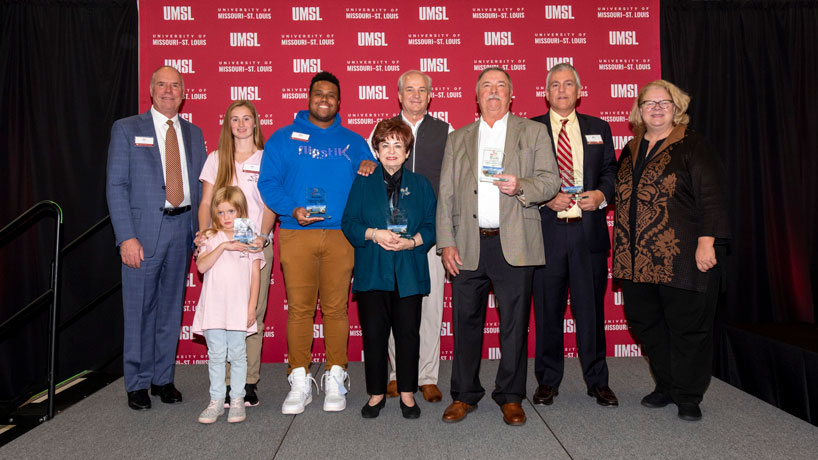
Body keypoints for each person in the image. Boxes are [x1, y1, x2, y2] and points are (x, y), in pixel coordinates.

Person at [436, 67, 560, 425]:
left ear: (512, 95)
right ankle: (464, 394)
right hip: (467, 244)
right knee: (465, 323)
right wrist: (445, 242)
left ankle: (510, 396)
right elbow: (445, 194)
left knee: (515, 325)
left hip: (516, 243)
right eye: (486, 86)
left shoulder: (533, 132)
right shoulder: (458, 138)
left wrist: (521, 185)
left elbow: (550, 181)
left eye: (500, 86)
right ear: (476, 96)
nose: (493, 92)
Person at [257, 71, 376, 414]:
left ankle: (336, 376)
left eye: (331, 95)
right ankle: (299, 378)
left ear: (339, 102)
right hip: (296, 232)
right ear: (308, 98)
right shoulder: (282, 139)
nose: (324, 99)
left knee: (337, 309)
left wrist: (369, 167)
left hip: (342, 235)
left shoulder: (354, 142)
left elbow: (370, 185)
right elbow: (268, 184)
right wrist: (291, 208)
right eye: (318, 94)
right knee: (300, 309)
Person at [613, 80, 729, 421]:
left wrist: (707, 241)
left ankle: (689, 395)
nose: (657, 108)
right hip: (635, 259)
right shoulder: (630, 148)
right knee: (645, 323)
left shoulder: (693, 145)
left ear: (676, 108)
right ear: (639, 110)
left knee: (687, 327)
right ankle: (666, 384)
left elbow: (712, 194)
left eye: (665, 103)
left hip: (681, 256)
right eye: (650, 103)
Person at [106, 65, 206, 410]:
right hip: (143, 234)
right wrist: (126, 238)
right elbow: (116, 186)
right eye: (162, 84)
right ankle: (136, 383)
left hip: (183, 230)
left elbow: (200, 187)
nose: (168, 90)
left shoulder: (194, 134)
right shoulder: (126, 129)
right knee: (138, 310)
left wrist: (201, 233)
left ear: (183, 92)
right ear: (151, 90)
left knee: (169, 309)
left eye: (175, 85)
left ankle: (162, 378)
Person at [530, 63, 619, 407]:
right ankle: (547, 381)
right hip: (547, 235)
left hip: (587, 233)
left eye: (569, 84)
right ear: (546, 92)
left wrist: (601, 195)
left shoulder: (599, 128)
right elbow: (522, 177)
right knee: (547, 312)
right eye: (555, 84)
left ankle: (598, 381)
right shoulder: (531, 128)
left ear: (579, 91)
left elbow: (611, 169)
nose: (562, 90)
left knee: (591, 313)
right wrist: (545, 197)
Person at [367, 70, 453, 402]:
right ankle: (395, 374)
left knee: (430, 307)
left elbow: (453, 183)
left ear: (430, 96)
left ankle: (427, 375)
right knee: (393, 305)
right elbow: (367, 167)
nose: (415, 95)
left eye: (422, 90)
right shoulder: (381, 129)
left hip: (429, 234)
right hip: (389, 236)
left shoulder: (447, 131)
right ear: (399, 95)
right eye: (409, 90)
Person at [343, 119, 437, 419]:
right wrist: (374, 233)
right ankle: (376, 393)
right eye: (385, 145)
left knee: (409, 334)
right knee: (374, 335)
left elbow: (432, 225)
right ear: (377, 150)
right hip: (373, 269)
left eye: (398, 145)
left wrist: (412, 243)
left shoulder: (421, 184)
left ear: (407, 151)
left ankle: (408, 393)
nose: (392, 151)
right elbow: (350, 223)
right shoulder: (362, 181)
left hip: (408, 270)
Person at [197, 100, 276, 408]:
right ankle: (227, 383)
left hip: (253, 243)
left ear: (256, 123)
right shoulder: (216, 159)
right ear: (227, 125)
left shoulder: (267, 158)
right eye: (235, 119)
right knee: (222, 315)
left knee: (251, 313)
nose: (241, 124)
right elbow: (206, 203)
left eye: (246, 118)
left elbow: (270, 204)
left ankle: (248, 382)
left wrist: (263, 237)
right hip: (220, 245)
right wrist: (206, 236)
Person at [192, 186, 264, 424]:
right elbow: (201, 267)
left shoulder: (248, 234)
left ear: (241, 210)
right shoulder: (211, 236)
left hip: (238, 308)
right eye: (221, 212)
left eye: (231, 211)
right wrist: (223, 247)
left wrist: (251, 307)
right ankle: (216, 401)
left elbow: (255, 275)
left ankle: (237, 400)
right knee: (216, 356)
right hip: (214, 308)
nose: (226, 218)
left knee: (238, 355)